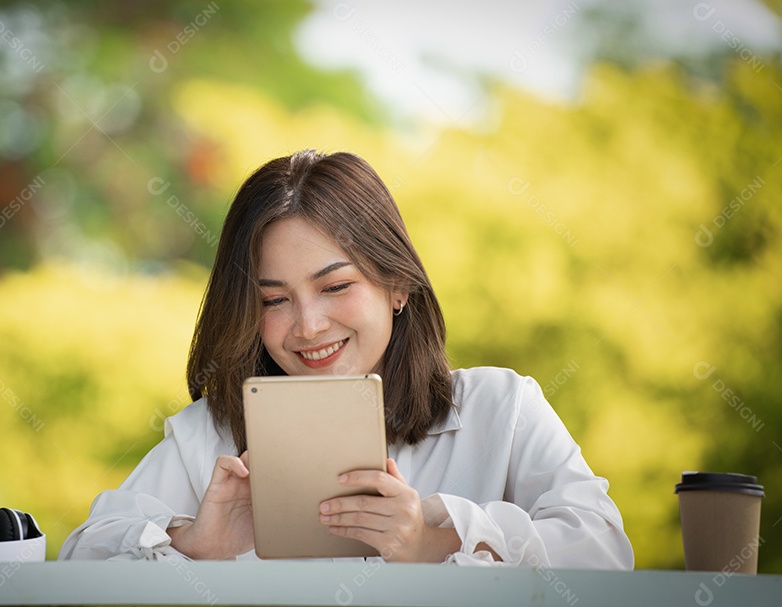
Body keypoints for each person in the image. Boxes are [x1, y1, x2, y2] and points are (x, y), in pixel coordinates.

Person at [59, 150, 634, 567]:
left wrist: (431, 543)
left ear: (398, 285)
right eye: (274, 299)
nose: (308, 325)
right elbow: (78, 560)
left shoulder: (500, 409)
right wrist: (192, 543)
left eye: (335, 287)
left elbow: (605, 552)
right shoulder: (205, 438)